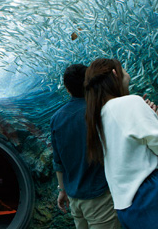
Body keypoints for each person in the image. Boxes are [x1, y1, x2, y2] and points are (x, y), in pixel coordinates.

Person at [84, 58, 158, 229]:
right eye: (123, 68)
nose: (127, 73)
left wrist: (151, 117)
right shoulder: (129, 102)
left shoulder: (98, 116)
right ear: (115, 74)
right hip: (149, 194)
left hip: (126, 206)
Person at [51, 64, 120, 228]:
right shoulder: (99, 111)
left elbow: (58, 161)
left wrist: (62, 190)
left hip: (75, 198)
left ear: (67, 89)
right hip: (100, 196)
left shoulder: (56, 118)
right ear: (89, 83)